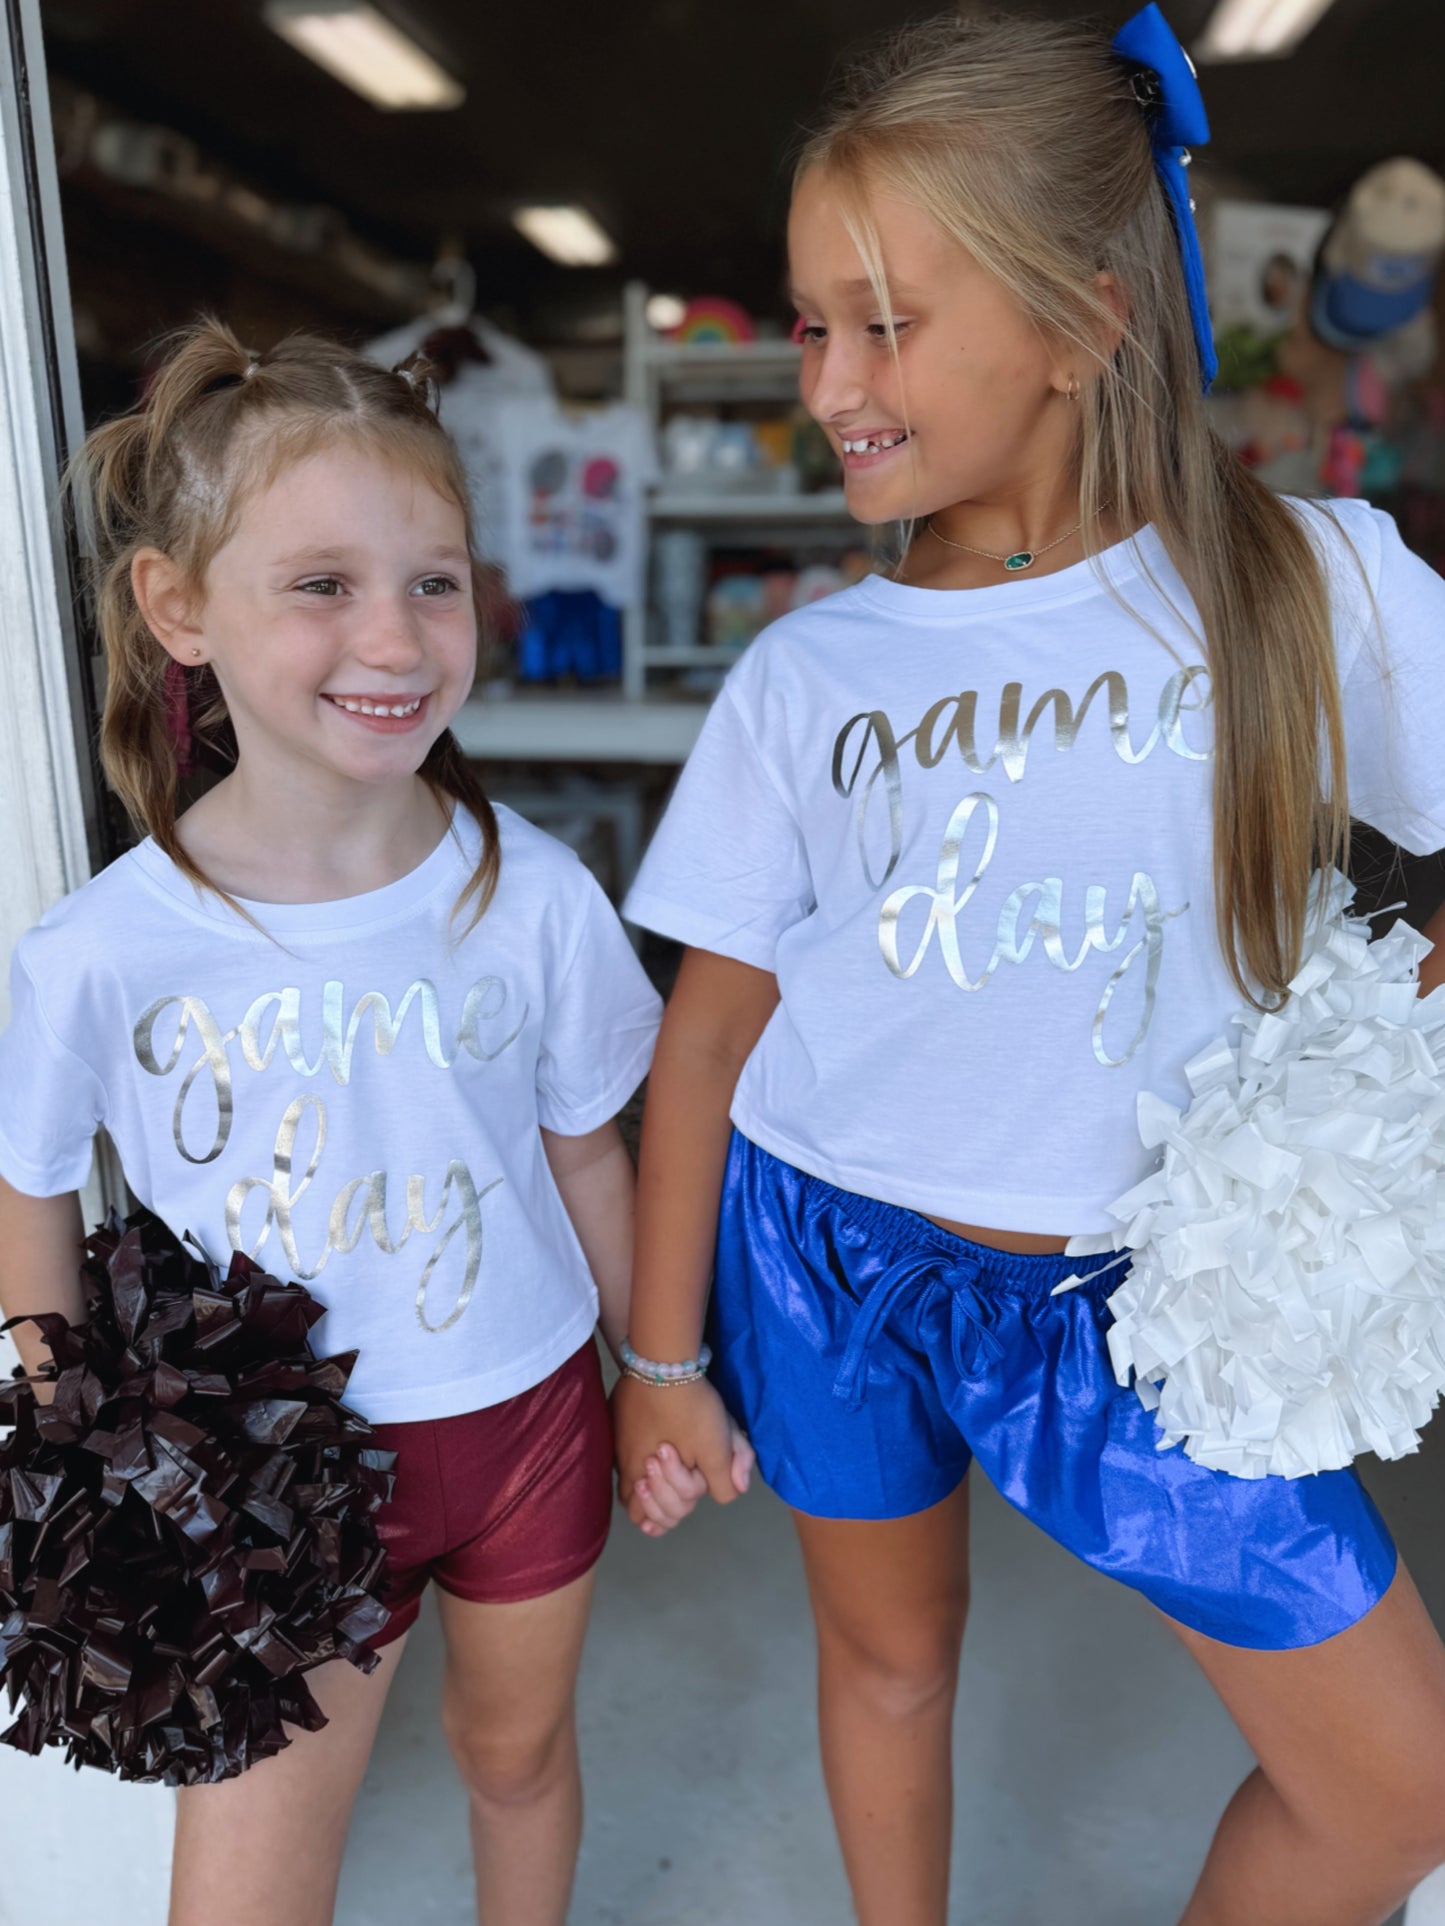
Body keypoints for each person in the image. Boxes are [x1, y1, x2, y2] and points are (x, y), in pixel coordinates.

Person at [614, 10, 1445, 1925]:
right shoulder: (804, 678)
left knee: (1395, 1785)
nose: (826, 379)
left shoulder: (1303, 588)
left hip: (1147, 1296)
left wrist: (1375, 1061)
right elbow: (709, 1038)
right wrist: (664, 1359)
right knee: (889, 1662)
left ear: (1080, 324)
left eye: (881, 322)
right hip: (828, 1247)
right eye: (809, 321)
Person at [0, 320, 715, 1926]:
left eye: (433, 580)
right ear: (177, 609)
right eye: (321, 583)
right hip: (272, 1476)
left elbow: (589, 1147)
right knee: (247, 1886)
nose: (391, 634)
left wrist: (664, 1373)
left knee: (516, 1755)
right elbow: (29, 1188)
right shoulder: (106, 947)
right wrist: (80, 1429)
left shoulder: (527, 890)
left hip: (526, 1422)